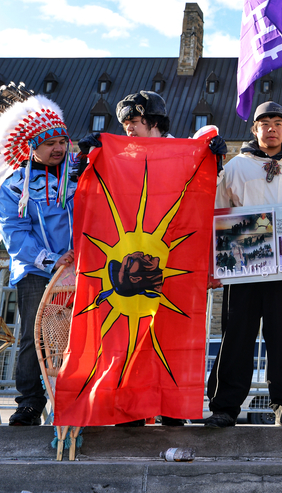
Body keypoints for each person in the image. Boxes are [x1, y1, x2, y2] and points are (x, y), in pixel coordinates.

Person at [76, 90, 226, 427]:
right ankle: (129, 408)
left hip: (170, 263)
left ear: (153, 121)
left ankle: (171, 406)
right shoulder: (122, 155)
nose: (128, 128)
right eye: (125, 123)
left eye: (134, 122)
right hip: (130, 259)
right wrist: (85, 159)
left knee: (171, 337)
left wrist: (214, 160)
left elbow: (203, 196)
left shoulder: (184, 153)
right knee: (130, 338)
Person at [204, 102, 282, 428]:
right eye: (264, 123)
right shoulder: (237, 167)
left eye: (277, 123)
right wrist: (216, 263)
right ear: (254, 129)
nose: (271, 128)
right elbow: (218, 211)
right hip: (243, 269)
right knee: (236, 337)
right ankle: (225, 406)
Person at [0, 96, 76, 426]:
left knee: (77, 334)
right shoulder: (15, 185)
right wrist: (51, 259)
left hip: (78, 267)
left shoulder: (79, 177)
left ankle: (72, 397)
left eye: (62, 142)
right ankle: (29, 402)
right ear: (33, 147)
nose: (58, 148)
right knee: (34, 333)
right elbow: (14, 232)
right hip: (37, 269)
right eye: (50, 143)